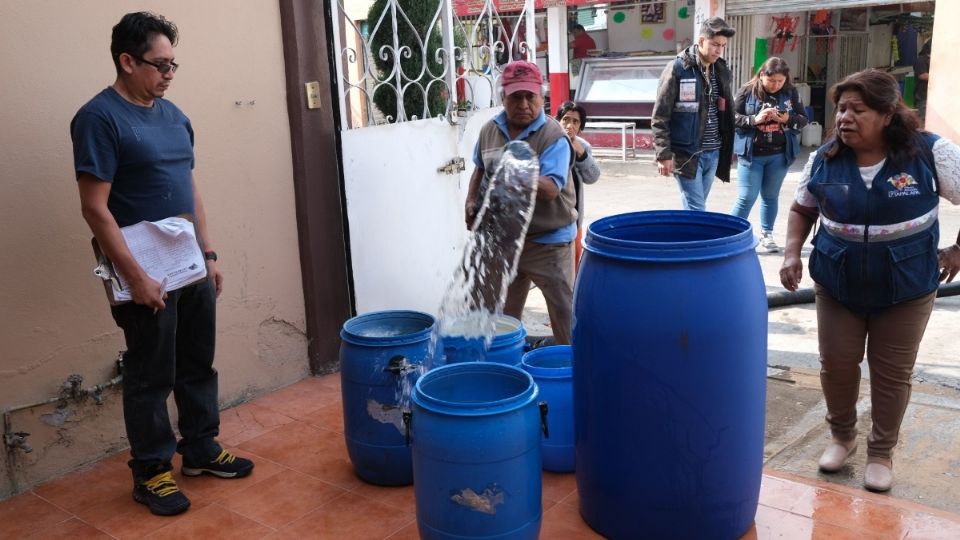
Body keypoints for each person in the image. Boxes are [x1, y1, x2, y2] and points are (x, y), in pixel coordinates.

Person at [71, 12, 253, 516]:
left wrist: (208, 253)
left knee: (197, 360)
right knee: (150, 373)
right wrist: (136, 277)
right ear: (127, 61)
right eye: (160, 64)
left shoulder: (174, 116)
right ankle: (152, 472)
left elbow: (189, 187)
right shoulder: (99, 118)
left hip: (188, 261)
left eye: (175, 64)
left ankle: (199, 449)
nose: (170, 74)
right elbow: (94, 207)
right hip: (142, 269)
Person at [779, 69, 960, 493]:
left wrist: (958, 250)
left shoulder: (930, 154)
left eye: (858, 110)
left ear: (887, 114)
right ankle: (842, 437)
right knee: (838, 366)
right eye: (841, 108)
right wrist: (791, 253)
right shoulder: (826, 157)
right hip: (837, 283)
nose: (844, 117)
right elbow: (802, 209)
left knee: (891, 373)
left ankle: (881, 453)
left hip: (907, 286)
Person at [465, 61, 576, 344]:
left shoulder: (553, 137)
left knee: (564, 313)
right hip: (505, 240)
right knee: (502, 319)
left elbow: (551, 189)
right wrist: (470, 201)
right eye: (516, 97)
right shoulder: (489, 130)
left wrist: (515, 173)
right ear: (503, 98)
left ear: (542, 97)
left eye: (531, 96)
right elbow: (480, 168)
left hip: (548, 242)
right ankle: (506, 371)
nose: (524, 104)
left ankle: (571, 372)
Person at [652, 17, 736, 211]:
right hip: (687, 153)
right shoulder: (678, 68)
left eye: (722, 46)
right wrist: (663, 153)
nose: (718, 50)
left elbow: (724, 109)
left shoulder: (721, 70)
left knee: (694, 209)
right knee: (697, 209)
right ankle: (695, 241)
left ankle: (683, 239)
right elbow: (660, 115)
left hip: (714, 152)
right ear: (701, 41)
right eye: (715, 44)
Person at [730, 57, 808, 252]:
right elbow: (731, 118)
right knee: (747, 196)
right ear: (762, 75)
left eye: (780, 81)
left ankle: (767, 234)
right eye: (772, 81)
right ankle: (730, 235)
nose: (776, 85)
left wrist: (788, 118)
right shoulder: (747, 91)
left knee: (770, 196)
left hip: (779, 154)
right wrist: (754, 120)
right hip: (751, 154)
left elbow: (803, 119)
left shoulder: (790, 93)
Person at [555, 100, 601, 269]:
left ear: (581, 127)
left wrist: (581, 153)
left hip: (574, 218)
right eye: (566, 119)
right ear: (558, 121)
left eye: (575, 122)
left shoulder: (583, 146)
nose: (570, 125)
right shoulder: (549, 143)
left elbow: (593, 177)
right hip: (552, 219)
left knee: (574, 265)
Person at [914, 39, 931, 126]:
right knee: (922, 120)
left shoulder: (931, 59)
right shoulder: (921, 60)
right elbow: (922, 75)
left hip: (931, 95)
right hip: (922, 95)